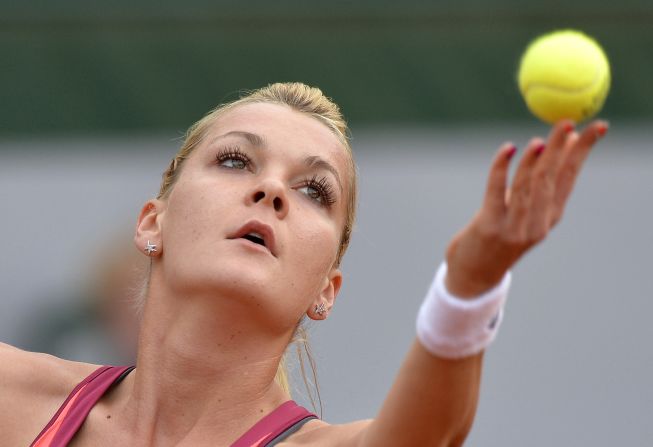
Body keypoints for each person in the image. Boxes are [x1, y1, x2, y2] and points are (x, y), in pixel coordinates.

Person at [0, 82, 608, 446]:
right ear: (152, 221)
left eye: (314, 191)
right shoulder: (15, 397)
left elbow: (427, 434)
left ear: (326, 289)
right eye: (237, 160)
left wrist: (471, 284)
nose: (272, 192)